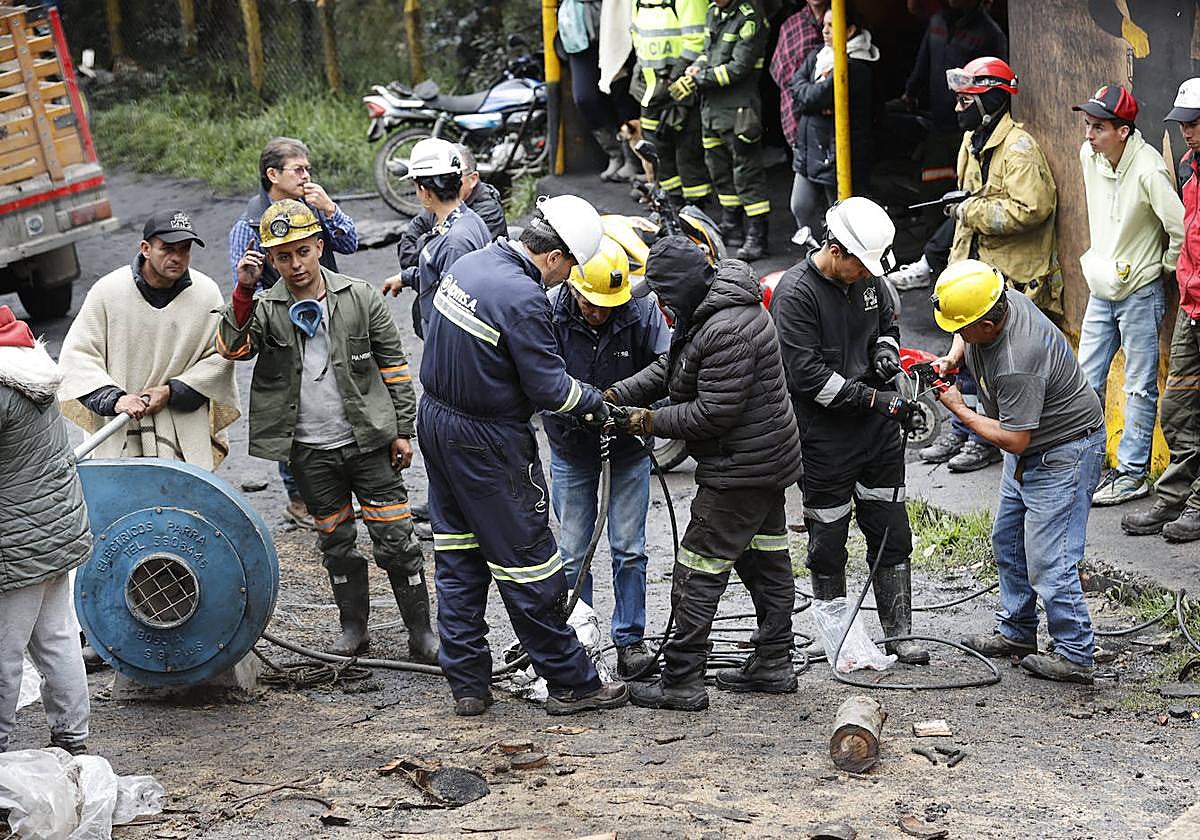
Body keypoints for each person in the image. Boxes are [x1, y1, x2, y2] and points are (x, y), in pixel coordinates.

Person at [418, 194, 629, 717]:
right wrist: (597, 403)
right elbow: (549, 388)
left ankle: (468, 683)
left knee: (459, 554)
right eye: (570, 267)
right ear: (554, 256)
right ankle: (572, 682)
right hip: (488, 442)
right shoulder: (523, 296)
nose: (567, 278)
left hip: (437, 423)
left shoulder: (471, 264)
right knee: (530, 563)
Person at [217, 199, 437, 664]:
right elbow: (233, 349)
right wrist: (243, 290)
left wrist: (403, 431)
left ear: (319, 246)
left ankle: (421, 634)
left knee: (396, 538)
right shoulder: (266, 308)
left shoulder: (360, 297)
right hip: (309, 452)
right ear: (270, 259)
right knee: (336, 543)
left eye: (302, 251)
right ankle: (353, 629)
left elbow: (395, 369)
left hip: (368, 443)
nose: (295, 264)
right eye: (283, 256)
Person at [606, 236, 803, 710]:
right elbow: (672, 368)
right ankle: (774, 662)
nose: (659, 304)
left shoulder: (727, 329)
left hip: (741, 468)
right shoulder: (708, 311)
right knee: (764, 561)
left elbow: (712, 413)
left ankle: (682, 681)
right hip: (763, 461)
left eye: (663, 294)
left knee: (697, 569)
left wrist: (643, 421)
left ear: (683, 287)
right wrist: (615, 395)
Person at [769, 197, 929, 666]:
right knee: (828, 540)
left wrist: (885, 352)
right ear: (835, 250)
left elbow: (886, 324)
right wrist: (878, 400)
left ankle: (899, 634)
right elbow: (809, 379)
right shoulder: (796, 295)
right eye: (859, 266)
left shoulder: (868, 277)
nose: (866, 275)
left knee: (891, 529)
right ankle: (838, 636)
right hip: (825, 437)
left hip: (876, 433)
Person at [931, 260, 1106, 684]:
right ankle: (1017, 631)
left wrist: (959, 408)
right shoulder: (996, 298)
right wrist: (954, 356)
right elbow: (964, 328)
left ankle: (1075, 654)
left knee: (1051, 559)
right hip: (1033, 448)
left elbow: (1013, 439)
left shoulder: (1017, 360)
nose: (959, 332)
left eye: (964, 329)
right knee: (1008, 540)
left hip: (1062, 452)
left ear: (988, 325)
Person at [919, 56, 1058, 473]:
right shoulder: (972, 141)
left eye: (966, 101)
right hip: (975, 266)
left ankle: (983, 439)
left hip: (1010, 275)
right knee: (964, 354)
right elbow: (971, 197)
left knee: (992, 363)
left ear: (990, 101)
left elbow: (1033, 208)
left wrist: (968, 211)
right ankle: (962, 431)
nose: (958, 108)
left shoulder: (1019, 148)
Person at [545, 236, 670, 678]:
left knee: (630, 550)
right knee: (572, 552)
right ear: (573, 286)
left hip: (629, 447)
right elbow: (538, 374)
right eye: (590, 304)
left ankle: (630, 641)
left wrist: (624, 402)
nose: (598, 313)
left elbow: (668, 364)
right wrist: (577, 408)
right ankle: (580, 640)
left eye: (607, 306)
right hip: (571, 447)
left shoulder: (641, 310)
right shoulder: (549, 310)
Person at [227, 136, 359, 529]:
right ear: (273, 175)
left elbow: (350, 243)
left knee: (337, 393)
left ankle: (340, 485)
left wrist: (330, 209)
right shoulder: (249, 225)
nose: (306, 176)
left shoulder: (313, 209)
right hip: (284, 330)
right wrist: (285, 308)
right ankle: (299, 497)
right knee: (292, 405)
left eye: (308, 169)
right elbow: (244, 285)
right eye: (298, 169)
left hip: (330, 316)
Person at [58, 210, 239, 471]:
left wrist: (171, 392)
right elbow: (77, 357)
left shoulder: (206, 294)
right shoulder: (108, 292)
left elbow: (220, 358)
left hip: (181, 431)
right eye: (167, 249)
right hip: (119, 427)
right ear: (145, 248)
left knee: (184, 495)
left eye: (184, 249)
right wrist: (115, 399)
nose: (177, 257)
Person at [1075, 84, 1184, 506]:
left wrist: (1161, 266)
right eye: (1088, 125)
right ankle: (1082, 467)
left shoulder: (1149, 170)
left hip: (1139, 293)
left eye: (1098, 127)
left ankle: (1132, 474)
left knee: (1139, 387)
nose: (1089, 135)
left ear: (1123, 131)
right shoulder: (1090, 157)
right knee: (1084, 381)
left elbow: (1179, 229)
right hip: (1100, 289)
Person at [0, 305, 91, 755]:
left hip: (16, 542)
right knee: (57, 638)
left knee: (4, 651)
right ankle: (73, 739)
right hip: (54, 530)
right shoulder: (27, 362)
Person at [886, 0, 1009, 291]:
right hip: (939, 125)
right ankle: (933, 262)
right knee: (935, 193)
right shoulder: (938, 22)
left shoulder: (989, 33)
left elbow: (997, 86)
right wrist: (909, 94)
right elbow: (924, 61)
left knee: (967, 199)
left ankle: (946, 264)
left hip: (971, 129)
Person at [1123, 78, 1200, 542]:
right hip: (1193, 307)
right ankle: (1174, 496)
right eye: (1183, 124)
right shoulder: (1190, 167)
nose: (1186, 131)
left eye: (1195, 123)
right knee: (1177, 407)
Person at [675, 0, 771, 260]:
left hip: (739, 111)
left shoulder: (750, 17)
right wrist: (698, 65)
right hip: (711, 110)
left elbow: (739, 67)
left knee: (747, 172)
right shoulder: (713, 11)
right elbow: (709, 52)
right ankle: (732, 225)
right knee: (719, 171)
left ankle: (757, 235)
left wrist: (699, 78)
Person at [787, 6, 879, 249]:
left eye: (832, 25)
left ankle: (839, 261)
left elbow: (812, 97)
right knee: (800, 206)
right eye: (824, 25)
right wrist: (810, 99)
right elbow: (795, 86)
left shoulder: (856, 65)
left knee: (840, 217)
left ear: (850, 30)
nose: (825, 31)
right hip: (810, 148)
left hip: (835, 151)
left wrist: (809, 99)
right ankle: (817, 255)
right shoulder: (819, 55)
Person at [380, 138, 490, 338]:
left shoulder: (454, 242)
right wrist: (407, 277)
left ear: (425, 192)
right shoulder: (469, 220)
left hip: (448, 348)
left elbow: (456, 314)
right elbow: (443, 277)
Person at [631, 0, 712, 205]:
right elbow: (636, 36)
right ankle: (670, 204)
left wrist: (673, 78)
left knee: (688, 153)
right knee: (659, 152)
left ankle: (695, 209)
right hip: (651, 91)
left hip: (682, 88)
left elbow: (698, 42)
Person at [392, 143, 507, 276]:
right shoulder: (457, 212)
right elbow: (407, 249)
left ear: (425, 192)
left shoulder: (457, 238)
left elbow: (448, 279)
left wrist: (426, 245)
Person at [559, 0, 640, 181]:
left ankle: (632, 157)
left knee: (621, 92)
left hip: (615, 20)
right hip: (577, 29)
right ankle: (615, 153)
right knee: (585, 98)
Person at [769, 0, 829, 152]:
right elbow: (779, 73)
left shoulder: (842, 19)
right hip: (799, 116)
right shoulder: (791, 26)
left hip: (836, 117)